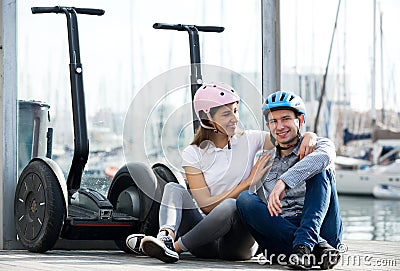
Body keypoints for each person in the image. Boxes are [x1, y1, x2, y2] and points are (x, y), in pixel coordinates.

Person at [126, 83, 317, 263]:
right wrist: (248, 181)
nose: (235, 118)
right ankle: (165, 237)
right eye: (226, 114)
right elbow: (206, 206)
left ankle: (173, 249)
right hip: (203, 241)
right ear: (207, 119)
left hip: (238, 245)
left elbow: (285, 135)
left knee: (233, 205)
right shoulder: (192, 154)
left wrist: (310, 135)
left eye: (235, 111)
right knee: (173, 188)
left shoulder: (250, 139)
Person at [236, 90, 343, 270]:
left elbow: (324, 157)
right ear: (268, 125)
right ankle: (313, 250)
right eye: (273, 121)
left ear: (300, 121)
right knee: (245, 200)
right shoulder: (264, 160)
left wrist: (283, 181)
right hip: (286, 238)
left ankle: (306, 245)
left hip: (323, 228)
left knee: (321, 169)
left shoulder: (320, 146)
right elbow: (259, 210)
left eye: (285, 119)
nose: (279, 126)